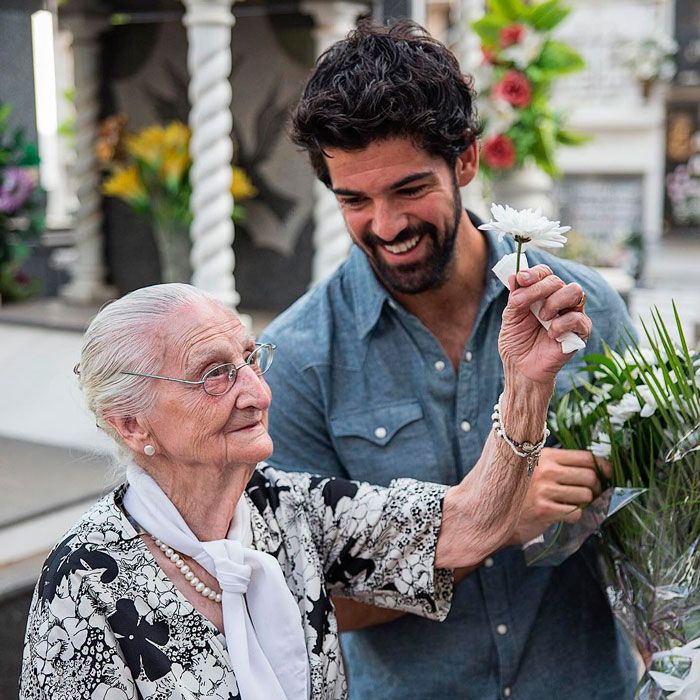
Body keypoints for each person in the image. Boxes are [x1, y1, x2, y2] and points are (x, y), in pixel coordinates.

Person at [260, 20, 639, 700]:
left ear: (464, 159)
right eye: (354, 200)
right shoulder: (297, 360)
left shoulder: (584, 309)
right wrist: (495, 519)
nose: (386, 225)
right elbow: (311, 604)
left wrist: (618, 481)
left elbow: (654, 521)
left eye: (409, 189)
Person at [21, 277, 585, 699]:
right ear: (131, 424)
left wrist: (526, 387)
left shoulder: (287, 508)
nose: (256, 393)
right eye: (214, 373)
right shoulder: (86, 578)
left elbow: (467, 526)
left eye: (249, 360)